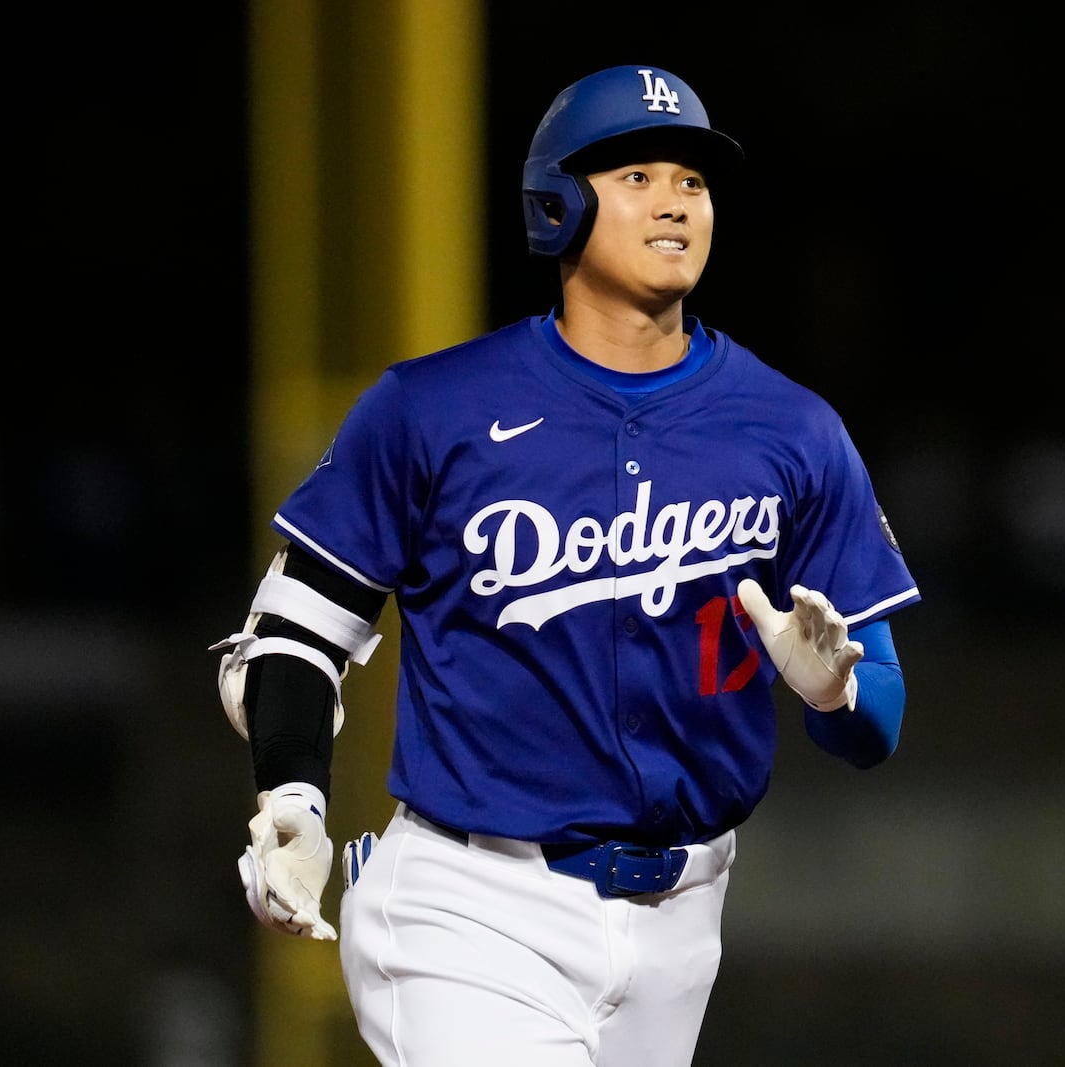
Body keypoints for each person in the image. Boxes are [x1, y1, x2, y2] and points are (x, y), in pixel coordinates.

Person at [211, 63, 922, 1066]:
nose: (675, 197)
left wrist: (832, 690)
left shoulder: (793, 430)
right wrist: (293, 793)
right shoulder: (434, 408)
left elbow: (878, 720)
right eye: (637, 173)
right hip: (468, 903)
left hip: (683, 919)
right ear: (557, 205)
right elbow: (293, 629)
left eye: (693, 178)